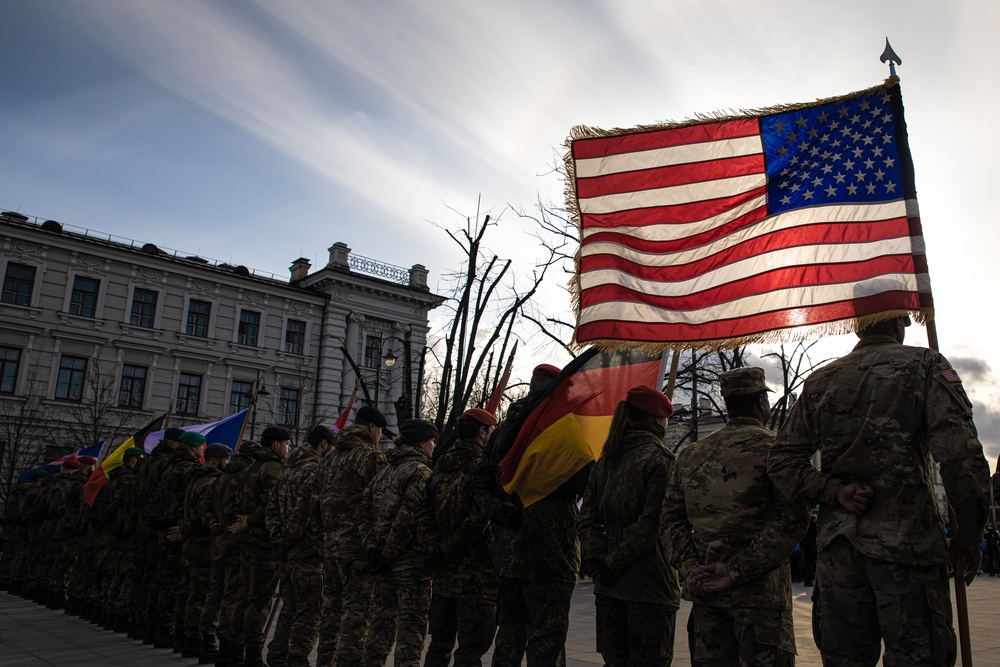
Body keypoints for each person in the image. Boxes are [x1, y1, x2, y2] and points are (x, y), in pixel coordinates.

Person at [768, 315, 991, 666]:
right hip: (908, 549)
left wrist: (832, 491)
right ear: (901, 324)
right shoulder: (924, 364)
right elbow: (960, 455)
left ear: (858, 326)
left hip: (839, 554)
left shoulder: (821, 380)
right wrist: (970, 532)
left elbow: (782, 461)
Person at [662, 367, 807, 667]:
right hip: (761, 603)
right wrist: (736, 570)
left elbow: (671, 521)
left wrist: (691, 571)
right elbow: (792, 520)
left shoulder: (690, 455)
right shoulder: (777, 451)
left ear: (727, 404)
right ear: (762, 403)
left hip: (707, 601)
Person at [474, 363, 591, 667]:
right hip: (550, 553)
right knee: (547, 640)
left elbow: (480, 481)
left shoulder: (501, 432)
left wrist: (497, 511)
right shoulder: (562, 432)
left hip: (509, 553)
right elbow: (588, 485)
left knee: (509, 636)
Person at [579, 385, 679, 667]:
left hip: (608, 587)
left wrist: (598, 559)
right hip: (649, 584)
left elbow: (587, 518)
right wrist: (612, 562)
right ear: (658, 420)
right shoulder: (661, 460)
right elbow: (652, 524)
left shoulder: (605, 462)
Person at [360, 418, 438, 667]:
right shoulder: (420, 472)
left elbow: (363, 509)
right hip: (409, 567)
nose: (434, 446)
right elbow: (409, 517)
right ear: (422, 443)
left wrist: (373, 548)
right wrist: (388, 553)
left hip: (383, 564)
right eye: (432, 441)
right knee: (410, 635)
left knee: (379, 631)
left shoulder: (386, 470)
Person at [424, 408, 499, 667]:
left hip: (443, 576)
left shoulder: (439, 465)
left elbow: (424, 511)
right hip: (476, 577)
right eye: (491, 431)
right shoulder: (483, 467)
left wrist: (436, 546)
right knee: (470, 650)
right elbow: (481, 516)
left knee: (439, 647)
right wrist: (451, 547)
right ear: (482, 432)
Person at [315, 405, 388, 666]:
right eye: (380, 430)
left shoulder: (330, 458)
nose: (380, 436)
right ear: (371, 428)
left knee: (331, 610)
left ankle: (325, 661)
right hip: (358, 549)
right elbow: (381, 505)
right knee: (356, 615)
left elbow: (317, 501)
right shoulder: (370, 458)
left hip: (331, 546)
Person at [265, 425, 334, 667]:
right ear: (323, 444)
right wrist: (286, 540)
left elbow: (271, 509)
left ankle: (276, 653)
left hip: (289, 553)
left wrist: (278, 539)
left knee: (290, 606)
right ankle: (296, 657)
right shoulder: (313, 472)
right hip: (308, 553)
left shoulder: (287, 470)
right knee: (309, 610)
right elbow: (303, 513)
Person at [229, 425, 290, 667]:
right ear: (275, 445)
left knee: (243, 596)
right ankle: (252, 654)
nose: (288, 448)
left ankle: (232, 651)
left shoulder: (250, 467)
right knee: (260, 599)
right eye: (286, 444)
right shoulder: (273, 468)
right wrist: (254, 521)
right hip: (264, 543)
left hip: (247, 542)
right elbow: (271, 505)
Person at [172, 443, 232, 660]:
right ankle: (198, 641)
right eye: (226, 458)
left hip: (191, 545)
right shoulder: (211, 482)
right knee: (202, 596)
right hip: (203, 545)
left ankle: (185, 638)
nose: (228, 463)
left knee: (189, 593)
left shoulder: (195, 478)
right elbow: (201, 514)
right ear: (215, 460)